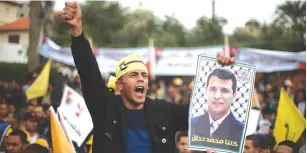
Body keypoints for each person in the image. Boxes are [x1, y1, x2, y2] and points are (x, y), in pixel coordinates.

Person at [61, 2, 235, 153]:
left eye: (144, 75)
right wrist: (77, 31)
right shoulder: (105, 108)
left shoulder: (164, 112)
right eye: (133, 75)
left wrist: (222, 74)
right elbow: (88, 71)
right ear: (120, 85)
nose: (141, 79)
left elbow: (209, 112)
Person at [190, 68, 244, 152]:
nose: (217, 96)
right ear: (206, 92)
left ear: (234, 95)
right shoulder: (191, 125)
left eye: (224, 90)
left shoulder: (242, 131)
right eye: (213, 89)